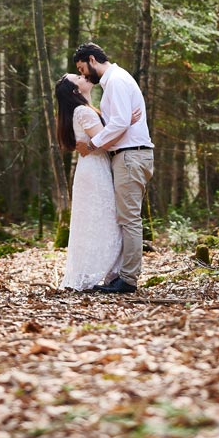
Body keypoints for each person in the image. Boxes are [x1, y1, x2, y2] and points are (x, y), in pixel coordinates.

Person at [72, 42, 154, 295]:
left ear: (92, 59)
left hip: (131, 156)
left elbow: (118, 122)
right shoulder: (114, 82)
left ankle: (128, 279)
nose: (83, 74)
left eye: (82, 67)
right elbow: (120, 121)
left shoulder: (116, 81)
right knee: (126, 217)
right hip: (128, 156)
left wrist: (92, 144)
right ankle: (122, 275)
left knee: (129, 219)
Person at [54, 72, 124, 291]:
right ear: (76, 90)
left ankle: (97, 270)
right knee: (105, 218)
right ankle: (107, 271)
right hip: (95, 169)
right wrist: (127, 123)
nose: (84, 77)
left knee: (93, 219)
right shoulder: (83, 111)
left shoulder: (79, 111)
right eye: (79, 78)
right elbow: (106, 141)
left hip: (89, 168)